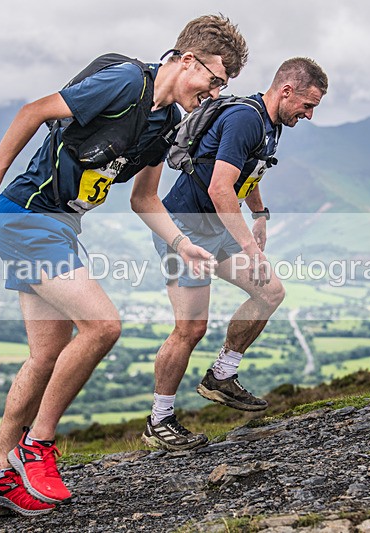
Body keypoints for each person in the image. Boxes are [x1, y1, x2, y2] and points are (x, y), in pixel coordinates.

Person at [0, 15, 248, 515]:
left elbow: (145, 200)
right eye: (215, 80)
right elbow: (32, 112)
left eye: (225, 86)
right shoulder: (126, 82)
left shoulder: (165, 126)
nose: (216, 92)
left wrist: (182, 243)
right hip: (25, 217)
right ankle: (38, 445)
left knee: (44, 357)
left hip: (60, 227)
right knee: (102, 326)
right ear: (187, 60)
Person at [132, 58, 327, 450]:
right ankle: (159, 421)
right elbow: (221, 189)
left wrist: (259, 215)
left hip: (218, 229)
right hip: (184, 229)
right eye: (307, 106)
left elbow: (245, 174)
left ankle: (222, 376)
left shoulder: (271, 125)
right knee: (190, 328)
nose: (308, 115)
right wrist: (251, 247)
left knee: (270, 292)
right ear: (286, 91)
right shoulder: (245, 118)